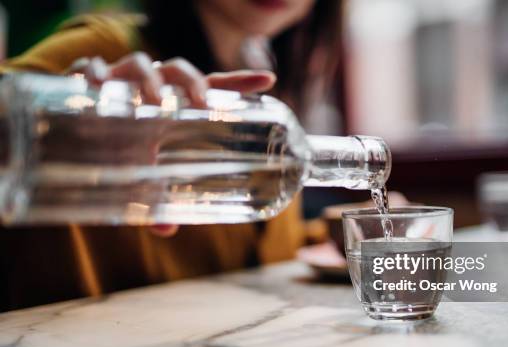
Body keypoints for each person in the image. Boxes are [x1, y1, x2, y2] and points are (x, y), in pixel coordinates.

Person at [0, 0, 344, 311]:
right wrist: (45, 126)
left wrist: (340, 231)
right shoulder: (108, 56)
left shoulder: (263, 88)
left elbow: (248, 249)